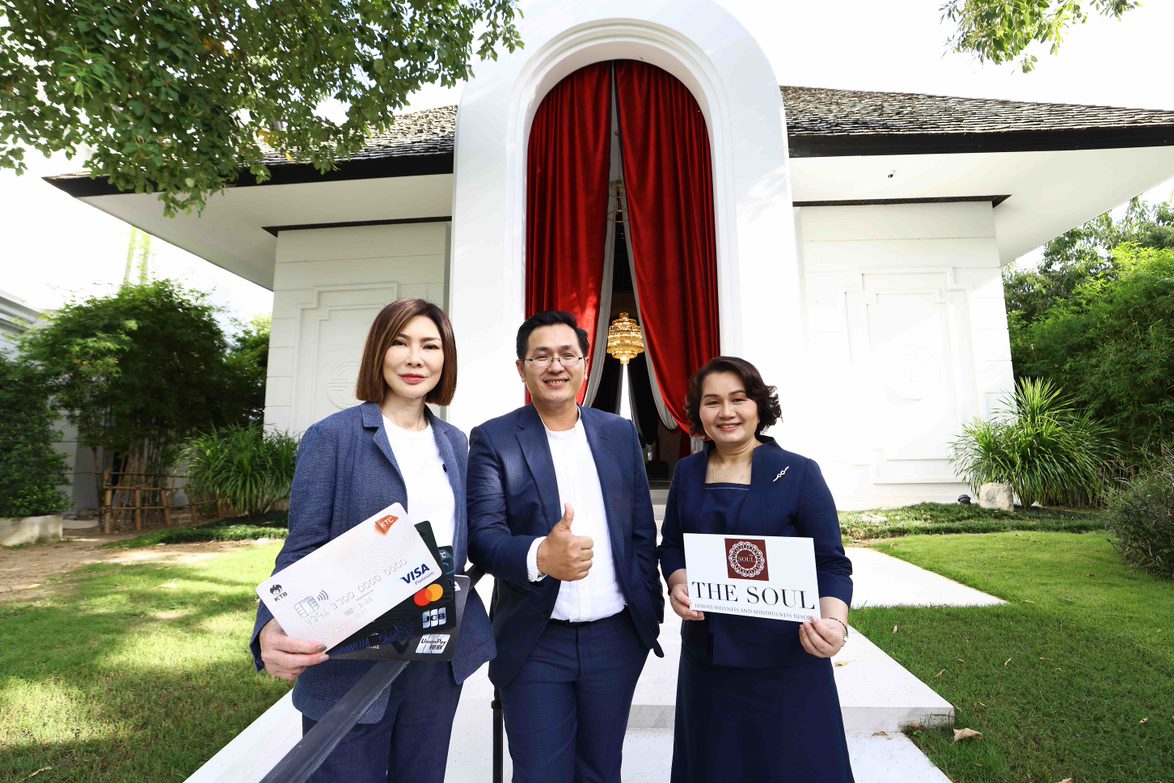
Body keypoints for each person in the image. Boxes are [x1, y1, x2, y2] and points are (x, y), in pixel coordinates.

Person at [249, 298, 495, 783]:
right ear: (379, 352)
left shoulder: (455, 442)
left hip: (435, 652)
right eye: (400, 343)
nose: (415, 358)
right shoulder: (332, 437)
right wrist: (268, 625)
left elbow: (465, 541)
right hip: (350, 658)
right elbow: (302, 545)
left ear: (445, 358)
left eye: (430, 346)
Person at [466, 310, 664, 783]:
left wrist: (648, 610)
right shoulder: (495, 438)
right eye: (541, 356)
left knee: (601, 770)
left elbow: (640, 530)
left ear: (584, 363)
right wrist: (541, 557)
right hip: (537, 640)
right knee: (540, 773)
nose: (555, 365)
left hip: (616, 638)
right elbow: (483, 537)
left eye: (567, 354)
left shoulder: (618, 433)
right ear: (522, 368)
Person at [658, 356, 855, 783]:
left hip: (786, 656)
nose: (726, 412)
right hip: (708, 659)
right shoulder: (688, 473)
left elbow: (831, 562)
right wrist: (678, 583)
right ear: (699, 413)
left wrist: (835, 625)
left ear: (759, 406)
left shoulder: (799, 472)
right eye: (712, 402)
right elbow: (672, 545)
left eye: (738, 399)